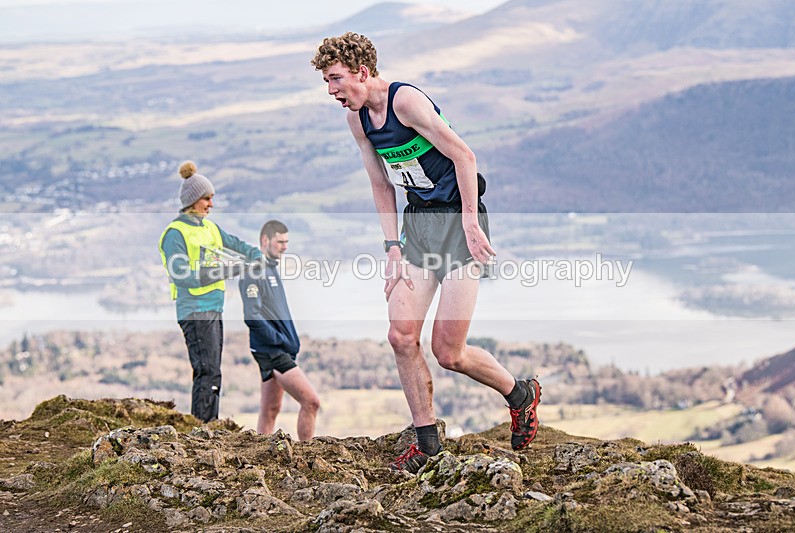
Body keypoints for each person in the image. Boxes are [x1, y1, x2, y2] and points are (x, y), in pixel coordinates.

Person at [312, 33, 541, 472]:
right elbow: (381, 184)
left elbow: (465, 157)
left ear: (362, 72)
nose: (331, 91)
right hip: (418, 226)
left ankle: (520, 394)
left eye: (336, 79)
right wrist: (392, 247)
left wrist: (471, 222)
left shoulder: (407, 103)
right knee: (400, 335)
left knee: (449, 352)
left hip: (458, 223)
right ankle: (427, 443)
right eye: (326, 82)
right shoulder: (358, 120)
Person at [158, 161, 263, 423]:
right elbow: (184, 277)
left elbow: (236, 244)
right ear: (193, 200)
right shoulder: (175, 233)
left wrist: (257, 256)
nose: (211, 204)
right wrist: (229, 270)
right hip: (194, 310)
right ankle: (202, 430)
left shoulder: (210, 228)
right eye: (207, 198)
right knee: (206, 371)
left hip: (214, 307)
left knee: (214, 372)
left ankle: (209, 427)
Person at [239, 220, 320, 440]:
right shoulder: (254, 271)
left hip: (275, 349)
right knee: (311, 402)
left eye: (286, 242)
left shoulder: (270, 269)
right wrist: (281, 341)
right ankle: (307, 455)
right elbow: (252, 316)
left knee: (270, 410)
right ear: (265, 240)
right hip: (273, 352)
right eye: (280, 242)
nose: (285, 247)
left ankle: (259, 455)